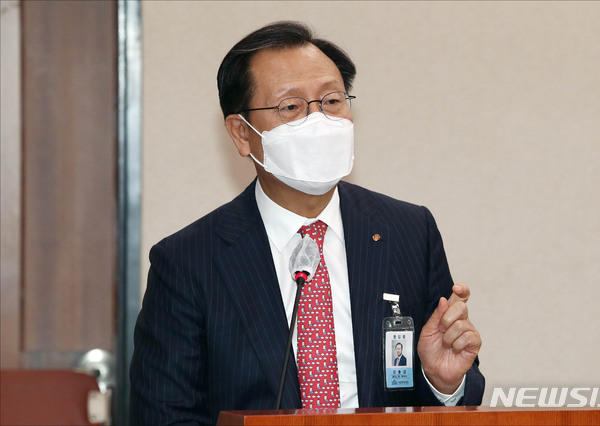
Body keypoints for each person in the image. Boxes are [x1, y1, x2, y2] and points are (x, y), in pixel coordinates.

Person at [130, 21, 484, 425]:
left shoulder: (408, 231)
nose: (318, 120)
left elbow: (450, 392)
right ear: (242, 134)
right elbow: (162, 414)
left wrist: (443, 382)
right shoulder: (188, 261)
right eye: (291, 107)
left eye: (332, 101)